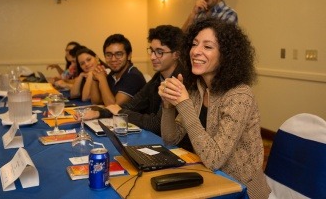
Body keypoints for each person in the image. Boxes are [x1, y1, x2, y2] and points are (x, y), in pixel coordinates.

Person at [159, 19, 270, 199]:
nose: (196, 51)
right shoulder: (198, 88)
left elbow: (213, 159)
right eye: (194, 44)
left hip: (240, 189)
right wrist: (168, 105)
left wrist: (184, 104)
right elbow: (170, 139)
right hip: (209, 179)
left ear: (226, 56)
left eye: (208, 47)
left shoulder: (240, 96)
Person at [83, 25, 185, 136]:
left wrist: (121, 112)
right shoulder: (157, 78)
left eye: (159, 52)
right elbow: (131, 105)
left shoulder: (182, 81)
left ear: (176, 54)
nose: (152, 57)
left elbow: (157, 124)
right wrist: (98, 113)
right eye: (151, 51)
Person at [90, 34, 146, 106]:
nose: (113, 59)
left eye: (119, 54)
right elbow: (96, 102)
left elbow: (113, 106)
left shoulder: (133, 76)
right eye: (109, 55)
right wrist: (95, 78)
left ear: (129, 56)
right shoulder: (113, 74)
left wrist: (102, 79)